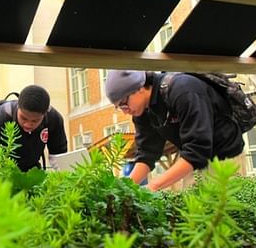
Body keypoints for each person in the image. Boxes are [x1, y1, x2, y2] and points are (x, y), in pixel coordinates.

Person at [105, 70, 244, 191]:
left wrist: (154, 185)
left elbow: (197, 150)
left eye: (124, 104)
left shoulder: (183, 90)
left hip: (224, 157)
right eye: (119, 107)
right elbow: (147, 153)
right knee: (192, 215)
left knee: (220, 215)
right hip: (194, 162)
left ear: (139, 87)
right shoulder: (142, 111)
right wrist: (123, 189)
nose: (125, 112)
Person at [0, 85, 67, 172]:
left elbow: (59, 157)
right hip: (2, 172)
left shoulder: (54, 119)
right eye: (23, 118)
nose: (28, 124)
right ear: (18, 106)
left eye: (35, 121)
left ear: (45, 113)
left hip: (32, 170)